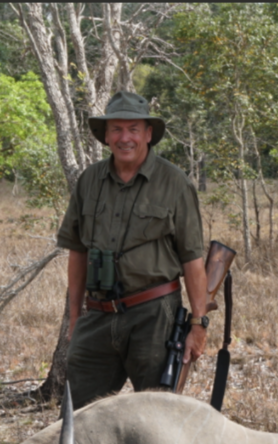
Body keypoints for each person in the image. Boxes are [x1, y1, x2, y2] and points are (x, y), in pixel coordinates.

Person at [55, 91, 208, 410]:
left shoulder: (174, 182)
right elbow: (77, 252)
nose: (125, 138)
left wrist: (198, 324)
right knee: (78, 418)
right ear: (106, 136)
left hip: (153, 316)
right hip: (96, 315)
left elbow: (192, 259)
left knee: (156, 416)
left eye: (133, 129)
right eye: (117, 129)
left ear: (148, 134)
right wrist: (74, 319)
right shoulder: (89, 181)